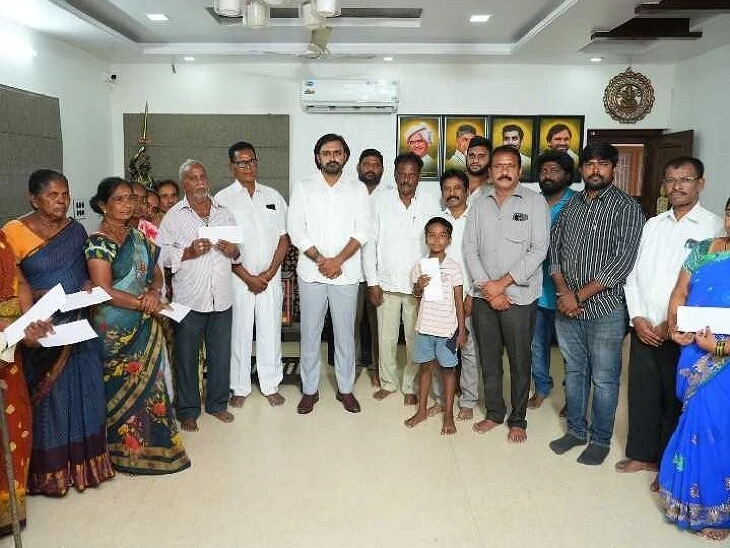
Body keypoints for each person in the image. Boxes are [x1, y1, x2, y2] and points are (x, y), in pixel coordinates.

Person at [3, 169, 115, 495]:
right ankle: (50, 474)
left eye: (65, 194)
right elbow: (13, 283)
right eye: (53, 195)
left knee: (87, 392)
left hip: (79, 322)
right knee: (51, 400)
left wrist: (87, 283)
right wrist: (35, 305)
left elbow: (82, 271)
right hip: (42, 326)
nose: (61, 201)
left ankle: (87, 467)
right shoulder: (13, 232)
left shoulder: (75, 230)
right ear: (33, 199)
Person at [617, 157, 722, 481]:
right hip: (644, 326)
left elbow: (708, 287)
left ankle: (667, 466)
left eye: (685, 179)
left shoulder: (714, 227)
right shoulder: (653, 224)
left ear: (701, 183)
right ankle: (641, 455)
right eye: (671, 180)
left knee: (675, 397)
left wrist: (671, 323)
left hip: (684, 332)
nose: (677, 186)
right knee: (643, 393)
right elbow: (633, 275)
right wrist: (638, 317)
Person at [85, 177, 190, 474]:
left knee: (151, 389)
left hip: (144, 325)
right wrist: (143, 303)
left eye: (130, 198)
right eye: (118, 199)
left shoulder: (139, 237)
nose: (127, 205)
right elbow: (103, 289)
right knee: (115, 390)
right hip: (113, 331)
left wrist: (154, 292)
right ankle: (118, 455)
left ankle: (155, 450)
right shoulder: (98, 243)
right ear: (103, 205)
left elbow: (156, 274)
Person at [548, 142, 644, 465]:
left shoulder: (627, 207)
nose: (595, 170)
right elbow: (555, 251)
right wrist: (564, 293)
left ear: (613, 168)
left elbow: (622, 262)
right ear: (581, 169)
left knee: (604, 377)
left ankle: (600, 439)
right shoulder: (571, 206)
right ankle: (576, 430)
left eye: (603, 164)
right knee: (574, 371)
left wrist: (578, 296)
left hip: (605, 309)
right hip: (567, 307)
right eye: (590, 164)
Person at [463, 145, 549, 443]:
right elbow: (469, 249)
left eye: (510, 165)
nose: (504, 171)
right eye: (498, 166)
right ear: (490, 171)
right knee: (489, 359)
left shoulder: (535, 203)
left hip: (519, 297)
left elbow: (539, 249)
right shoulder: (479, 204)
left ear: (519, 170)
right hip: (485, 295)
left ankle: (518, 419)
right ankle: (494, 412)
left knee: (519, 360)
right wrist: (489, 288)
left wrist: (502, 284)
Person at [658, 197, 730, 541]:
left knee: (720, 429)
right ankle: (690, 501)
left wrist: (719, 348)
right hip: (694, 350)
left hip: (723, 361)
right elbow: (680, 291)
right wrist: (675, 327)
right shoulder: (703, 250)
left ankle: (719, 509)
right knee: (695, 423)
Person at [287, 134, 373, 414]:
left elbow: (363, 230)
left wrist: (338, 261)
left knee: (345, 334)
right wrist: (321, 260)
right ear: (318, 157)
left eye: (337, 152)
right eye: (326, 153)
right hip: (311, 273)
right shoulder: (304, 187)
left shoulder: (357, 189)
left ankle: (345, 389)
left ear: (345, 156)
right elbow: (296, 229)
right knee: (310, 334)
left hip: (345, 274)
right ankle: (309, 390)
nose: (332, 157)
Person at [157, 160, 240, 432]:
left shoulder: (224, 212)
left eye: (203, 176)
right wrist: (188, 251)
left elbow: (238, 252)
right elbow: (160, 255)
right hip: (190, 299)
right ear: (184, 184)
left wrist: (233, 251)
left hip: (222, 298)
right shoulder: (173, 217)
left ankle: (217, 404)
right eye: (193, 178)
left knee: (220, 355)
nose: (200, 181)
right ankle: (188, 410)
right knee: (187, 357)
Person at [215, 141, 289, 408]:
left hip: (270, 278)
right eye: (242, 162)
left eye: (253, 161)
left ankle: (271, 384)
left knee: (271, 331)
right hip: (238, 279)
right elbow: (221, 245)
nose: (249, 166)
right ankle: (239, 386)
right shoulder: (222, 200)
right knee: (240, 332)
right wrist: (247, 277)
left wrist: (269, 273)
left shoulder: (273, 196)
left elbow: (284, 238)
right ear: (231, 167)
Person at [363, 153, 440, 404]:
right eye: (402, 174)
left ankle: (410, 385)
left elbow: (435, 246)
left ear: (419, 177)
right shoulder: (380, 202)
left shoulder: (430, 203)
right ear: (395, 175)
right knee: (385, 338)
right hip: (385, 283)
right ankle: (388, 382)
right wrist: (372, 282)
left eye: (412, 174)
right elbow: (370, 244)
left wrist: (431, 288)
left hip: (418, 287)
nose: (406, 179)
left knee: (414, 339)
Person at [0, 230, 54, 534]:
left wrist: (28, 319)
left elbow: (20, 282)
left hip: (9, 355)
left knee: (16, 425)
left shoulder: (2, 239)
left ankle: (8, 511)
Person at [405, 217, 466, 435]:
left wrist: (461, 330)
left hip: (447, 330)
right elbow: (416, 296)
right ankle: (421, 410)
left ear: (449, 240)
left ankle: (448, 415)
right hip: (425, 328)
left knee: (448, 371)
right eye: (432, 235)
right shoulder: (420, 266)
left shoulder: (454, 268)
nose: (437, 240)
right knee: (425, 369)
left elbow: (459, 301)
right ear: (426, 239)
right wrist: (418, 286)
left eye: (442, 236)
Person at [527, 151, 576, 410]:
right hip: (535, 289)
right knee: (537, 345)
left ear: (567, 175)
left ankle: (573, 395)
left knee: (570, 349)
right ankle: (542, 387)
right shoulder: (531, 203)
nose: (547, 175)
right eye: (544, 171)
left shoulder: (578, 204)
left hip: (567, 291)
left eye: (554, 170)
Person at [431, 169, 480, 420]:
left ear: (467, 191)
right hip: (441, 299)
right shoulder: (437, 220)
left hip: (470, 295)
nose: (452, 193)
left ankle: (468, 400)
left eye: (457, 188)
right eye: (447, 189)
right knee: (440, 351)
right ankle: (441, 399)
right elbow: (431, 258)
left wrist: (472, 294)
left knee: (469, 351)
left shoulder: (477, 219)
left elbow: (482, 259)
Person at [356, 148, 388, 387]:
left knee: (379, 326)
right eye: (366, 164)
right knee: (351, 324)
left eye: (375, 165)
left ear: (382, 170)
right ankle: (352, 367)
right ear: (358, 168)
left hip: (378, 273)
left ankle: (378, 369)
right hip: (351, 271)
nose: (371, 168)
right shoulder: (349, 193)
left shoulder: (389, 196)